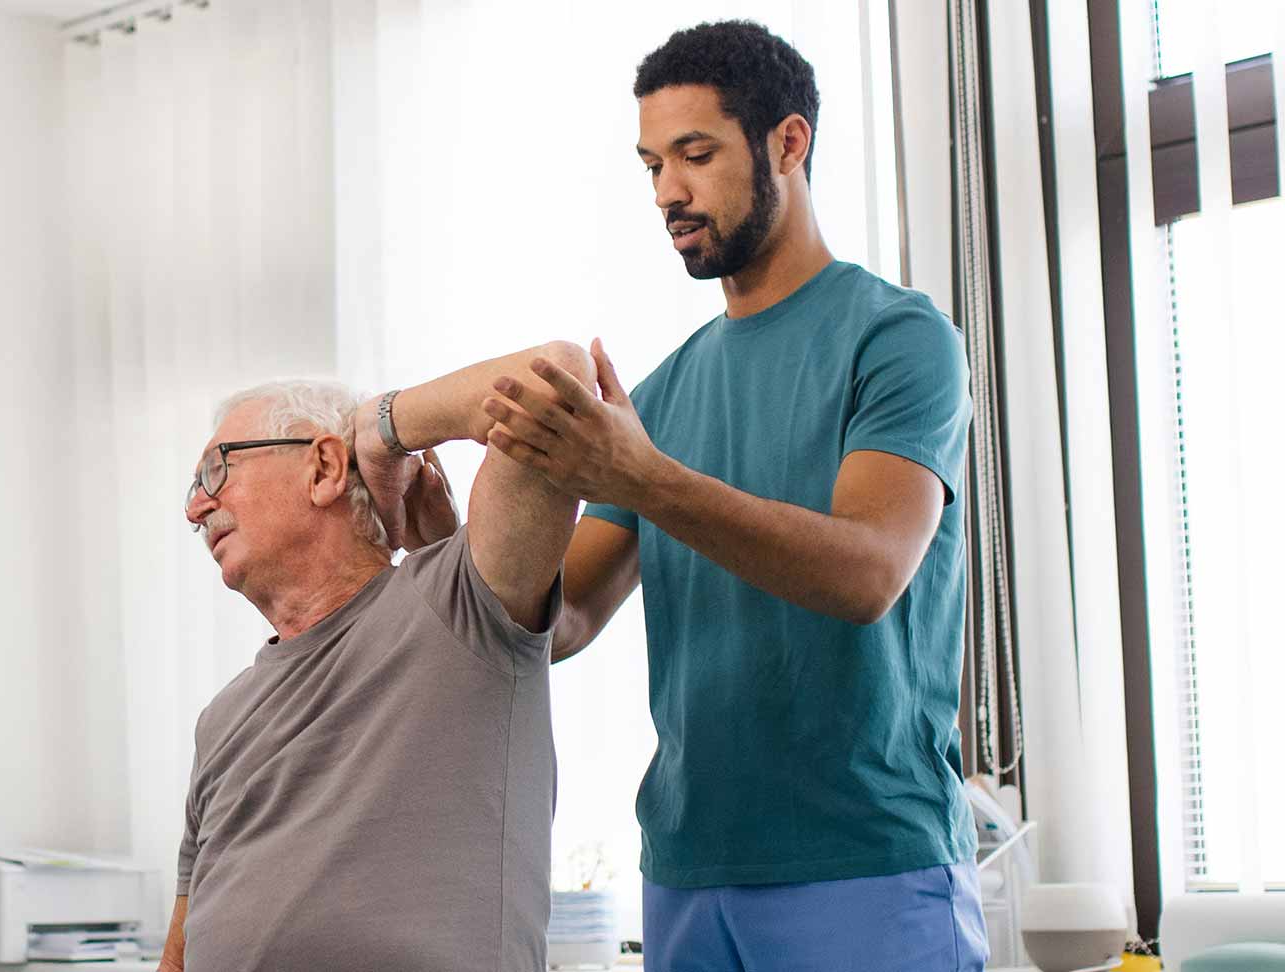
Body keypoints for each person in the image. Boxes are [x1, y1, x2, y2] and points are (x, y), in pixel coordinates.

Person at [477, 21, 987, 972]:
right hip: (687, 869)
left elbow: (868, 571)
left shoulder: (901, 340)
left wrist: (641, 477)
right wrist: (459, 551)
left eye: (695, 154)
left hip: (864, 865)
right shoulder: (663, 394)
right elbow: (567, 618)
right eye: (651, 165)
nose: (669, 191)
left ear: (788, 144)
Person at [158, 344, 590, 972]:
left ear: (324, 467)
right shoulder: (221, 718)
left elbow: (556, 381)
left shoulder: (458, 606)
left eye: (215, 472)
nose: (196, 508)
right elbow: (181, 951)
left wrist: (383, 430)